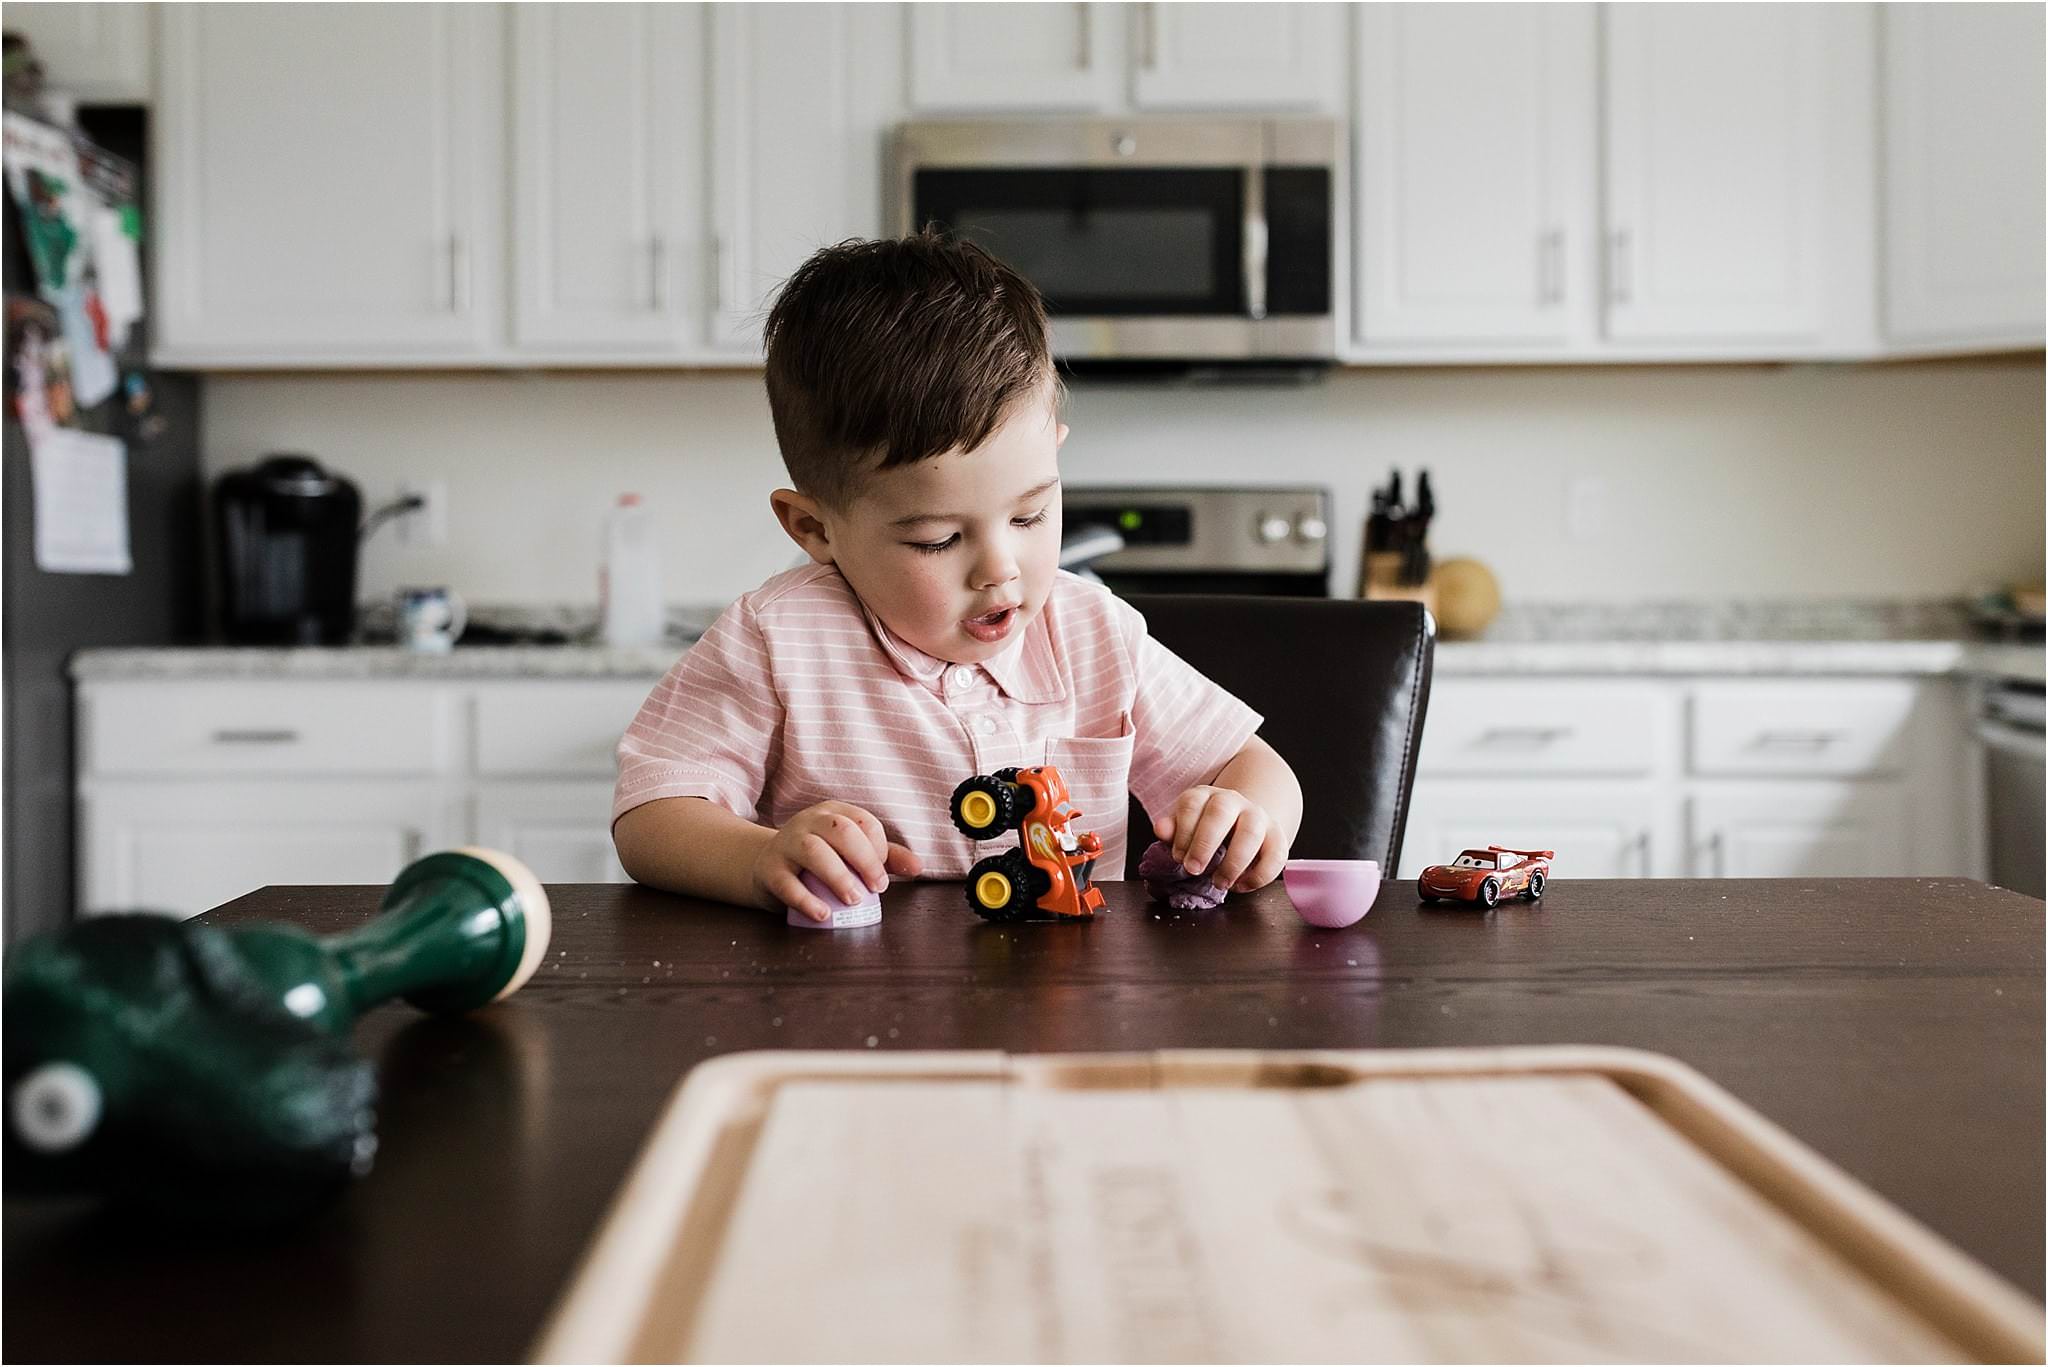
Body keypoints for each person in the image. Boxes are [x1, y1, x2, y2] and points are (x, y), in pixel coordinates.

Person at [611, 232, 1302, 922]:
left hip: (1071, 1010)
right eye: (938, 539)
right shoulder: (777, 639)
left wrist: (1243, 814)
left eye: (1030, 515)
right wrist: (755, 859)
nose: (1000, 568)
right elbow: (652, 814)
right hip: (844, 1008)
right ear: (815, 528)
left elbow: (1251, 767)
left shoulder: (1095, 632)